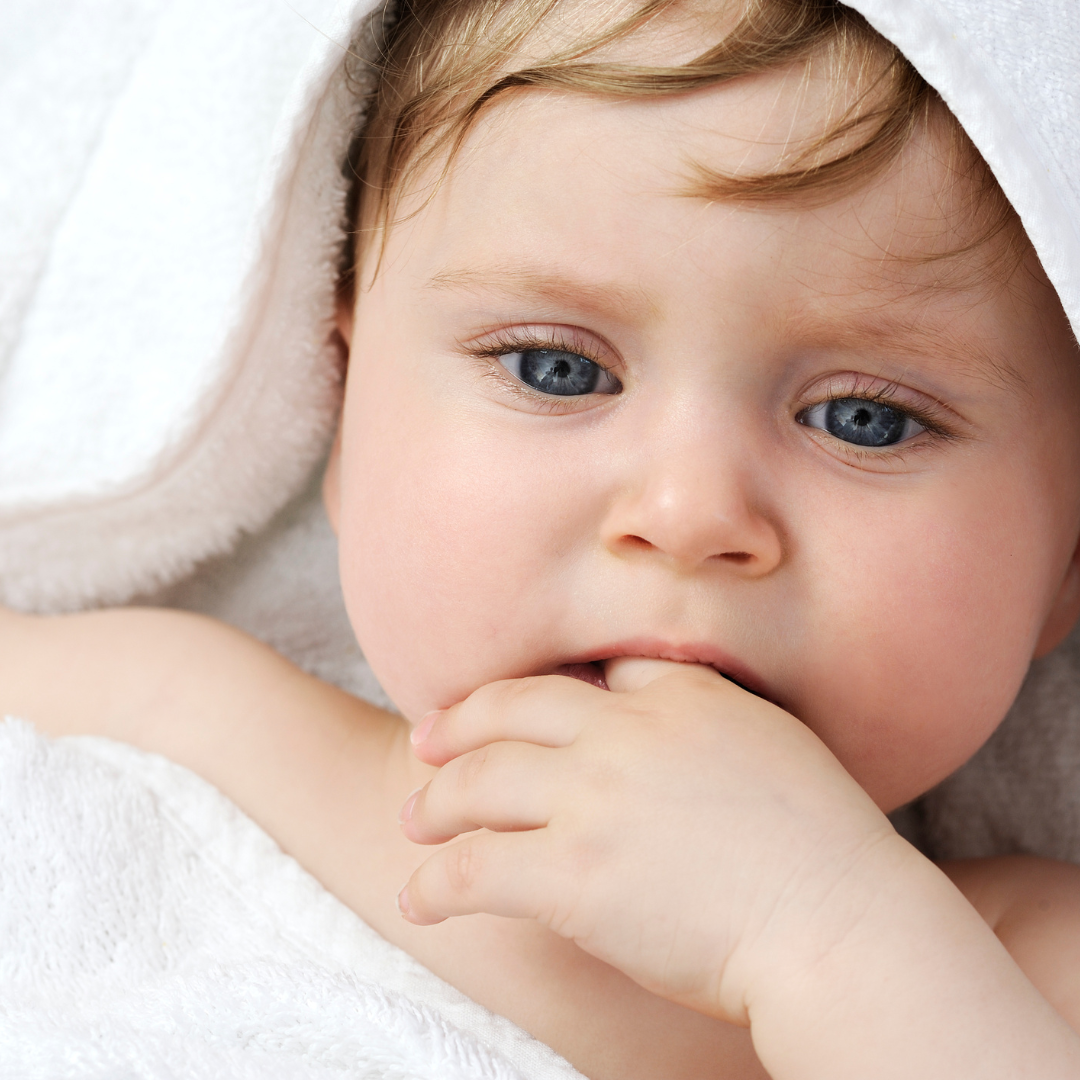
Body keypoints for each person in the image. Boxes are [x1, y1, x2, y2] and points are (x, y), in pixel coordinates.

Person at [4, 0, 1080, 1076]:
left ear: (1067, 562)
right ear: (342, 418)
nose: (688, 516)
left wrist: (826, 931)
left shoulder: (1022, 977)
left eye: (867, 420)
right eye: (556, 368)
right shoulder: (186, 719)